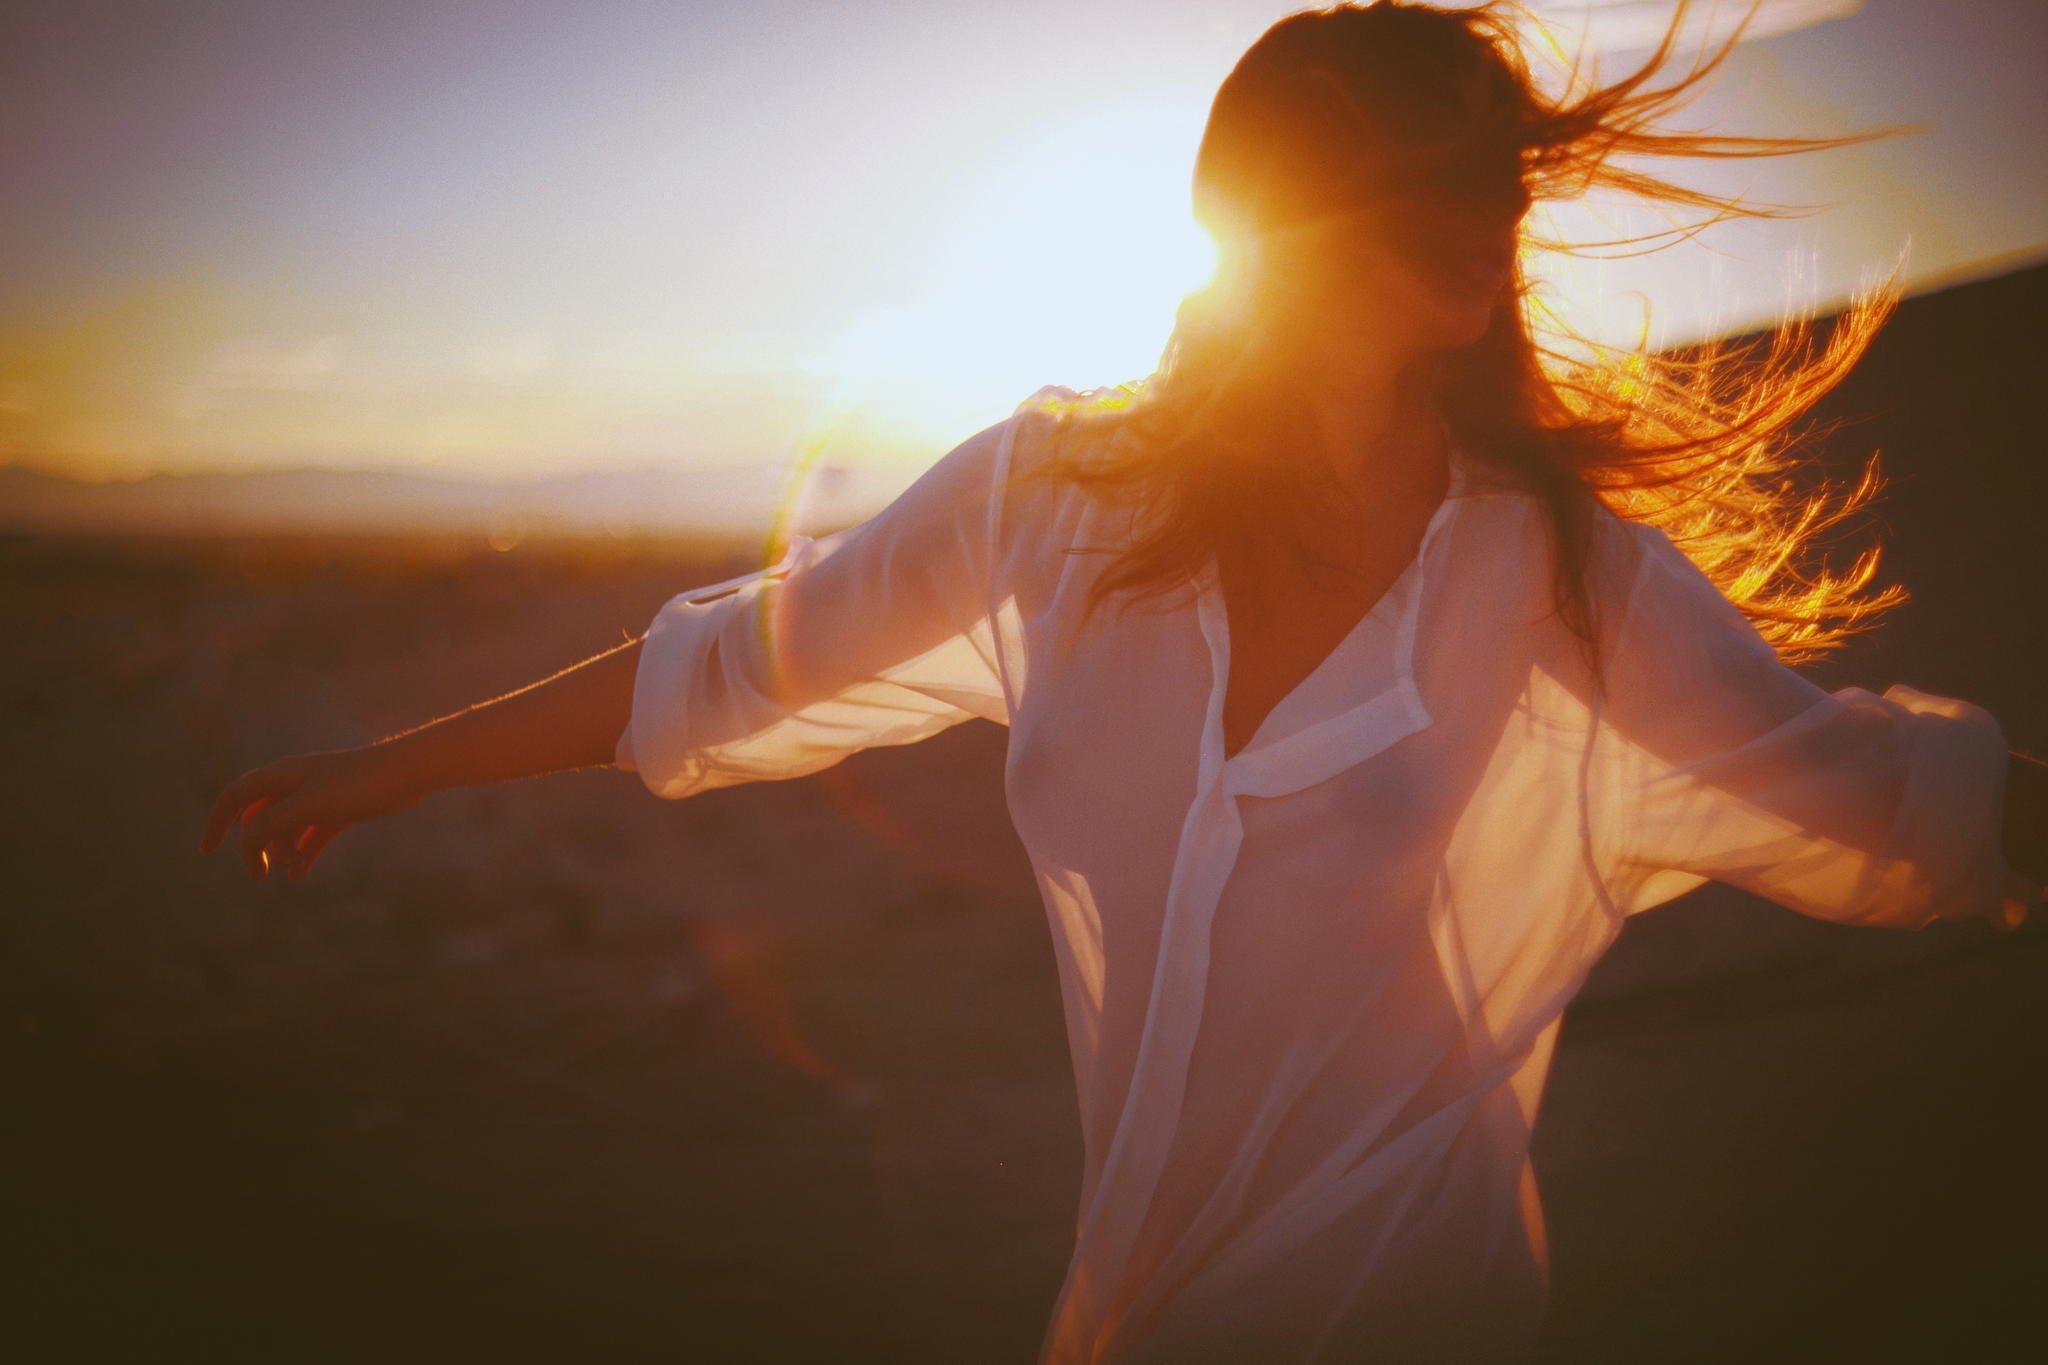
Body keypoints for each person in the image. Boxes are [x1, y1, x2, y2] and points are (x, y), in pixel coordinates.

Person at [200, 2, 2046, 1360]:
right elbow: (726, 675)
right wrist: (396, 766)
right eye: (1402, 185)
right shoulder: (1051, 499)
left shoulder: (1562, 574)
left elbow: (1879, 805)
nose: (1468, 230)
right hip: (1133, 1310)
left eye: (1482, 188)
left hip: (1418, 1301)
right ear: (1265, 220)